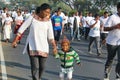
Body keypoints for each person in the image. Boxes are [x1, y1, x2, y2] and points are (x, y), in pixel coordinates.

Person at [12, 3, 57, 80]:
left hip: (44, 47)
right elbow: (21, 29)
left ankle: (38, 78)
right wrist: (15, 41)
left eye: (49, 12)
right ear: (41, 10)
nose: (47, 14)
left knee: (42, 67)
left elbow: (51, 36)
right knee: (35, 66)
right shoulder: (32, 18)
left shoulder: (48, 21)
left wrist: (54, 47)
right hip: (32, 45)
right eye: (46, 12)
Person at [103, 2, 120, 80]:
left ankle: (118, 74)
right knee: (110, 59)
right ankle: (106, 73)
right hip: (111, 43)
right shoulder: (112, 17)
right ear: (118, 9)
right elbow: (105, 28)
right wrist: (115, 26)